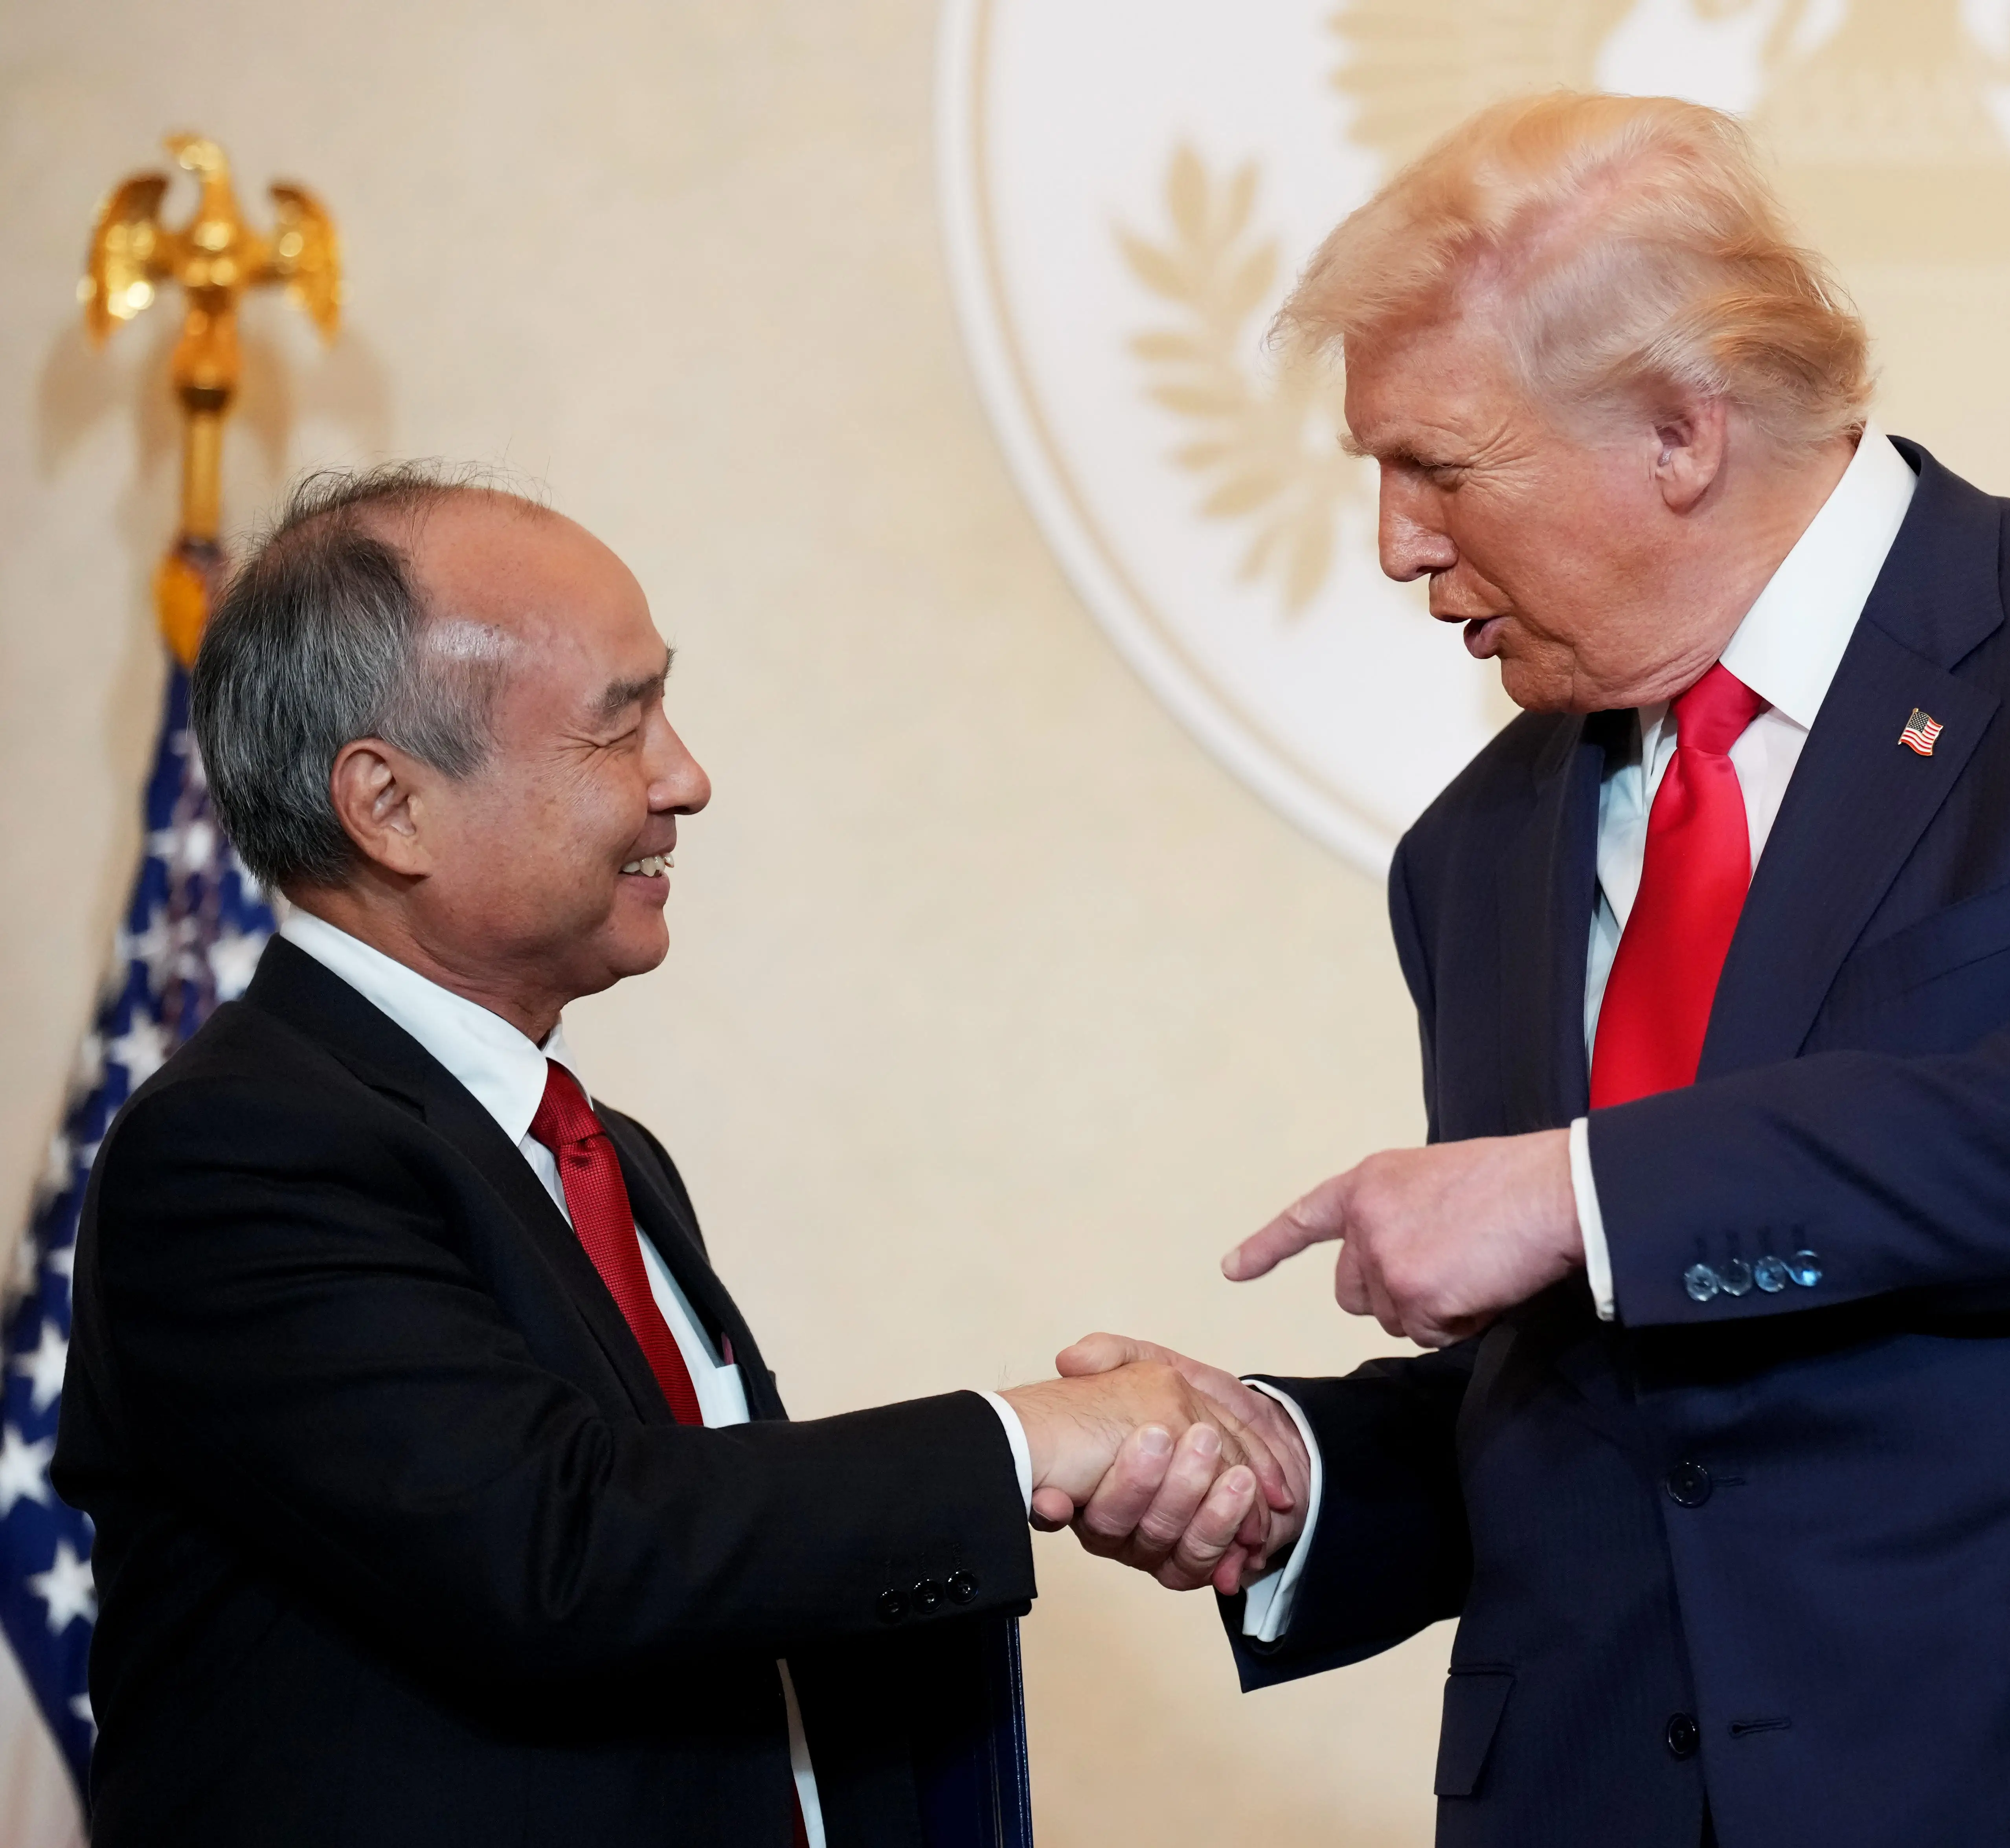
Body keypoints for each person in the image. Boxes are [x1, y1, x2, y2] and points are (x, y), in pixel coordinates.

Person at [1054, 93, 2010, 1845]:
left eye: (1434, 465)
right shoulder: (1476, 850)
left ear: (1676, 431)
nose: (1399, 546)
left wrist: (1575, 1188)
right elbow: (1603, 1379)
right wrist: (1287, 1474)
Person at [53, 466, 1282, 1848]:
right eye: (618, 725)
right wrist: (1024, 1437)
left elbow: (711, 1592)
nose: (684, 778)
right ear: (388, 804)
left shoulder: (597, 1154)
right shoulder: (240, 1150)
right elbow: (557, 1549)